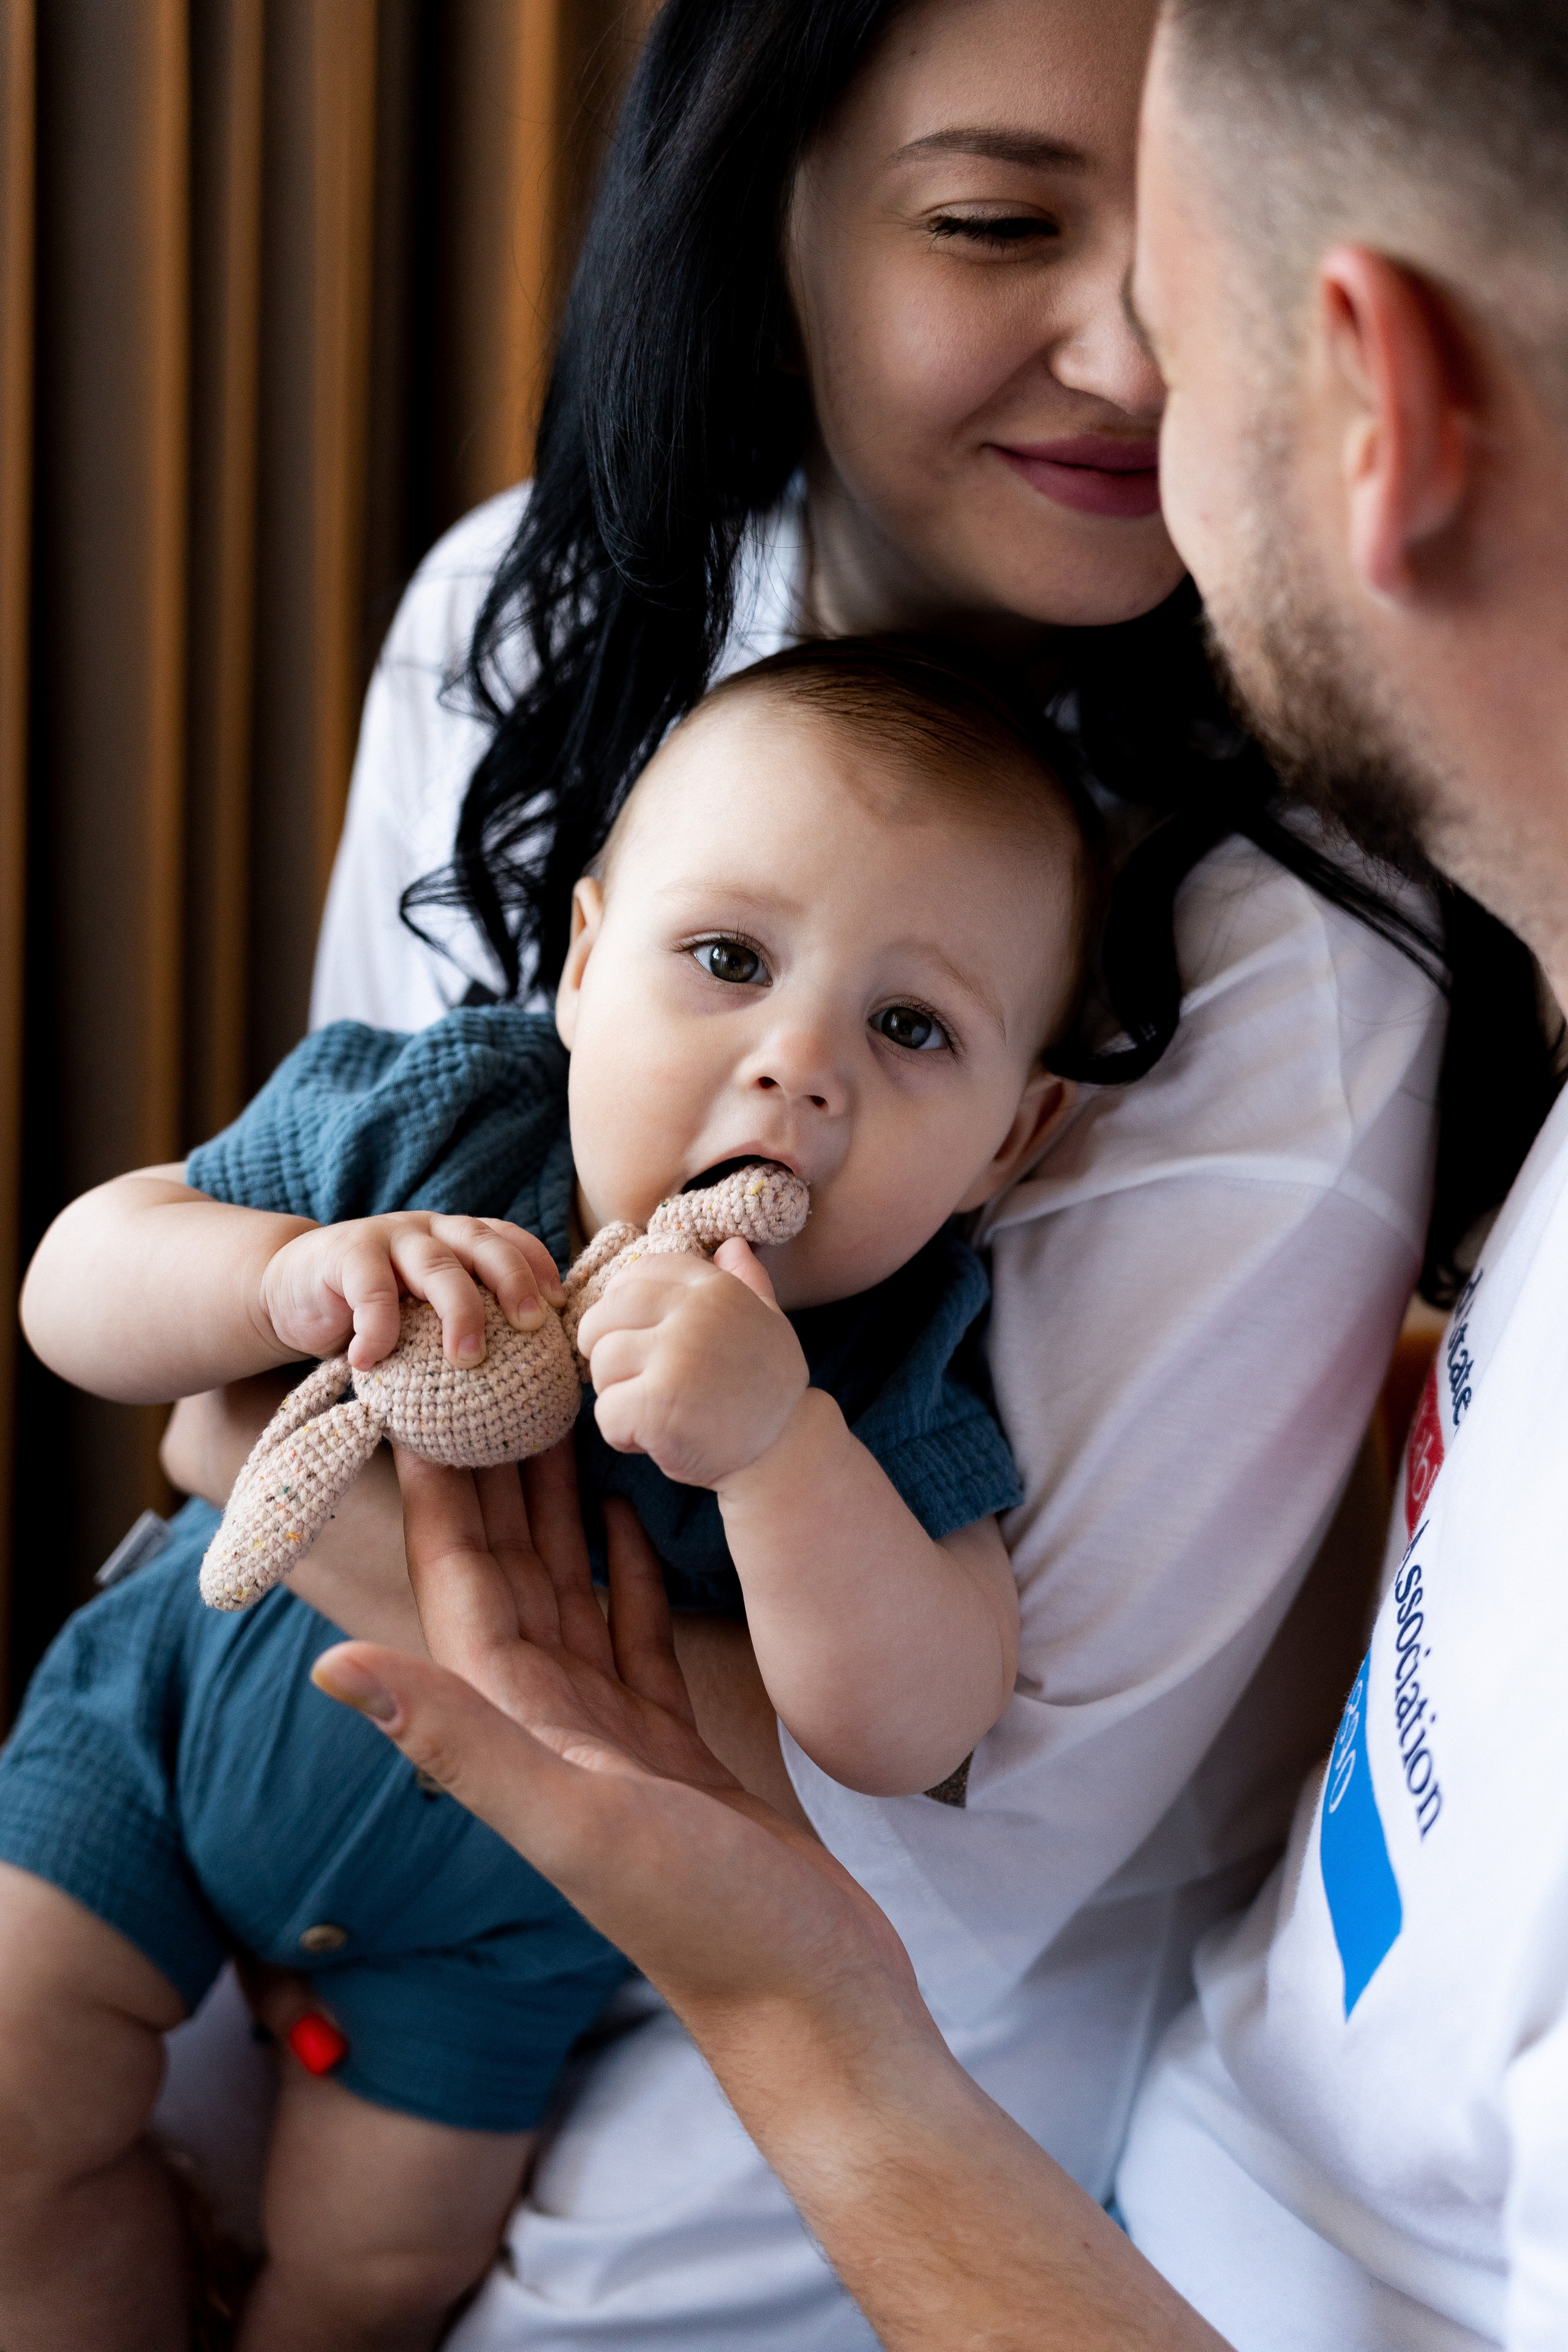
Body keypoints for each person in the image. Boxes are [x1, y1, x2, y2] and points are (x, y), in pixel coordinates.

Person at [146, 0, 1553, 2342]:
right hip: (299, 1794)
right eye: (996, 219)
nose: (1129, 349)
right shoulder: (529, 630)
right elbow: (263, 1241)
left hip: (819, 2081)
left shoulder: (1283, 972)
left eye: (1190, 241)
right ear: (758, 217)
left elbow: (955, 1847)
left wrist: (280, 1467)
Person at [0, 639, 1096, 2352]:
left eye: (910, 1027)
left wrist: (777, 1452)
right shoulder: (433, 1120)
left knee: (371, 2281)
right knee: (11, 2113)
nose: (800, 1070)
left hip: (487, 1933)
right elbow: (71, 1289)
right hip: (158, 1731)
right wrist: (283, 1277)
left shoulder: (888, 1365)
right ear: (584, 964)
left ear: (1013, 1144)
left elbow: (921, 1720)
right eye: (727, 960)